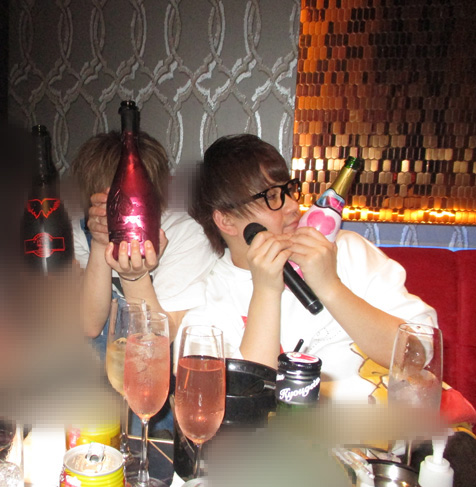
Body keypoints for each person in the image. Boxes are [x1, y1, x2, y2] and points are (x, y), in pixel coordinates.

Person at [183, 134, 437, 403]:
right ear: (226, 220)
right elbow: (245, 405)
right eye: (271, 197)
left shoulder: (345, 249)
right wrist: (266, 292)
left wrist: (330, 287)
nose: (294, 206)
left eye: (289, 190)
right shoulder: (208, 296)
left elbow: (416, 356)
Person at [70, 131, 217, 353]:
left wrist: (134, 276)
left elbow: (161, 339)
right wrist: (100, 243)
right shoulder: (81, 231)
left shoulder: (183, 232)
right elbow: (89, 326)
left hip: (153, 362)